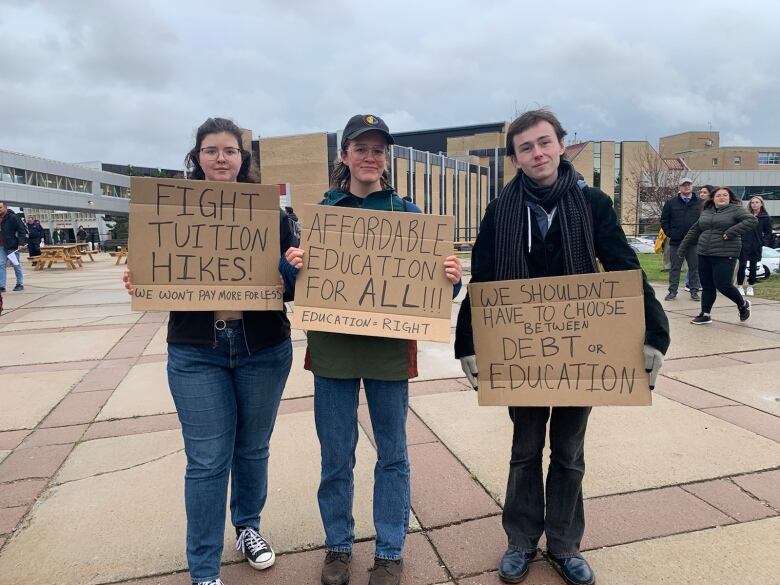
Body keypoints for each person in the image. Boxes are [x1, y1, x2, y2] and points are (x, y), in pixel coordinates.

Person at [454, 109, 669, 585]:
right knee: (525, 450)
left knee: (569, 452)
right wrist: (467, 342)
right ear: (514, 158)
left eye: (545, 142)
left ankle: (566, 544)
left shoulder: (592, 203)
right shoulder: (499, 210)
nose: (538, 153)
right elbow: (483, 278)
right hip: (521, 354)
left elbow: (621, 267)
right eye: (526, 147)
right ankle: (521, 540)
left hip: (581, 352)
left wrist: (655, 333)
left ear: (560, 145)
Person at [281, 114, 462, 585]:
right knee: (336, 455)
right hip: (334, 353)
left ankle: (389, 550)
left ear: (386, 158)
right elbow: (297, 288)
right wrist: (293, 266)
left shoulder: (409, 214)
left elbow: (440, 293)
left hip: (388, 353)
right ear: (344, 155)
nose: (369, 157)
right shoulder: (321, 213)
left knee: (393, 454)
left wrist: (451, 279)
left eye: (377, 149)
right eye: (360, 148)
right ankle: (338, 546)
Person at [124, 117, 295, 585]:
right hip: (198, 350)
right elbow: (157, 271)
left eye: (231, 151)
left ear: (244, 159)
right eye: (212, 150)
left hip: (262, 348)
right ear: (197, 158)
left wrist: (294, 269)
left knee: (253, 449)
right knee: (206, 461)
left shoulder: (271, 215)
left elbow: (297, 284)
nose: (222, 158)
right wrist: (142, 278)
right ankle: (203, 569)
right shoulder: (169, 211)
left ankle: (247, 528)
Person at [680, 187, 757, 325]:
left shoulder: (736, 210)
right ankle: (705, 314)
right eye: (718, 195)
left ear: (729, 197)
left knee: (723, 285)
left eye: (725, 195)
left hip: (725, 253)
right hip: (704, 252)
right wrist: (683, 248)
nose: (721, 197)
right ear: (713, 198)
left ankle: (743, 305)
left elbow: (751, 221)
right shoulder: (707, 211)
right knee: (707, 285)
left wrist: (731, 232)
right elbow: (695, 230)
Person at [660, 177, 701, 300]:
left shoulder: (700, 203)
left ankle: (694, 291)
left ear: (692, 186)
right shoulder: (671, 203)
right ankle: (672, 291)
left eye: (688, 185)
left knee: (694, 267)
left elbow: (705, 220)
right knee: (675, 268)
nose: (686, 187)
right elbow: (664, 220)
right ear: (679, 187)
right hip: (676, 242)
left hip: (694, 242)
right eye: (684, 185)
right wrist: (671, 233)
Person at [737, 196, 773, 296]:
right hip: (744, 244)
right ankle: (740, 286)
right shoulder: (745, 216)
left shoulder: (765, 218)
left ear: (761, 204)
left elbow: (768, 233)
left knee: (753, 267)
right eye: (752, 202)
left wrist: (762, 242)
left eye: (757, 202)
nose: (754, 204)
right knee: (742, 265)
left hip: (756, 245)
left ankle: (750, 287)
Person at [0, 201, 27, 292]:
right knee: (1, 264)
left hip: (12, 246)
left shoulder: (13, 217)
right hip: (1, 246)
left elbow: (22, 231)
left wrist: (20, 243)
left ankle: (19, 283)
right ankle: (2, 286)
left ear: (5, 207)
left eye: (0, 208)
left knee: (16, 265)